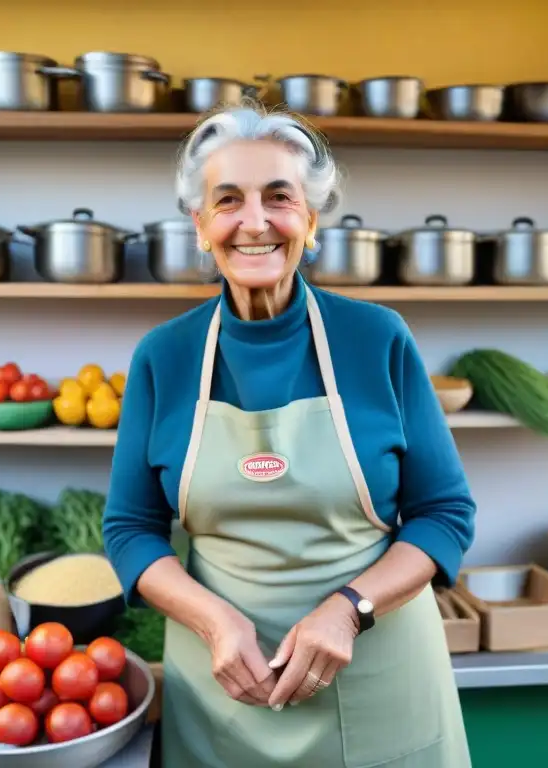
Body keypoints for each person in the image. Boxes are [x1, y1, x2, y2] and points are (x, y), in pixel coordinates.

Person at [103, 100, 476, 768]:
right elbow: (130, 529)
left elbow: (442, 515)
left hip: (376, 678)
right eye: (228, 201)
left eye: (279, 197)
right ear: (199, 225)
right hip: (223, 690)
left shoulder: (377, 338)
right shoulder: (164, 356)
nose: (254, 223)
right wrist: (213, 620)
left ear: (309, 220)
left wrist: (349, 608)